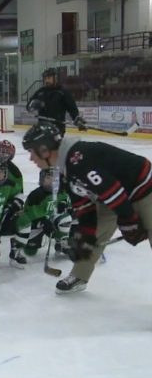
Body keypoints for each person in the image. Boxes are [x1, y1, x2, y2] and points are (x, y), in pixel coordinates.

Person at [22, 123, 152, 294]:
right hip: (112, 195)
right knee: (94, 234)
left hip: (143, 188)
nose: (31, 158)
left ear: (45, 150)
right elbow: (84, 206)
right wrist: (85, 237)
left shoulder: (78, 160)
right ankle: (80, 276)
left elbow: (112, 190)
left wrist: (129, 221)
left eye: (32, 151)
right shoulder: (64, 169)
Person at [15, 168, 73, 259]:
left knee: (66, 218)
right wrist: (43, 222)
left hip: (51, 221)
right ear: (42, 179)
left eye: (54, 179)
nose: (51, 182)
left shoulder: (63, 193)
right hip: (36, 225)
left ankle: (61, 243)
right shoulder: (36, 195)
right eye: (48, 178)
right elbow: (31, 215)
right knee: (30, 252)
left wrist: (65, 207)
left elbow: (70, 210)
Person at [26, 68, 86, 135]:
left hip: (57, 130)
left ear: (55, 78)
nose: (46, 80)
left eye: (49, 78)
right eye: (45, 78)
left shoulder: (62, 92)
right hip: (42, 129)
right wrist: (34, 105)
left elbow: (72, 109)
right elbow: (29, 106)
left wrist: (77, 120)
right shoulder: (40, 92)